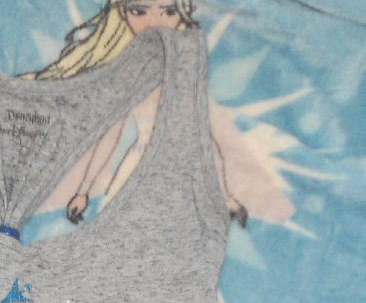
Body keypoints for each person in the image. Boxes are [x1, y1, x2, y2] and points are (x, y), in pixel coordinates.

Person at [26, 0, 249, 227]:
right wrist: (83, 191)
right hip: (137, 173)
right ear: (123, 13)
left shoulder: (185, 64)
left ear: (182, 12)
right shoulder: (127, 70)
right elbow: (110, 134)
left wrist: (225, 196)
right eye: (138, 11)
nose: (154, 22)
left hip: (187, 175)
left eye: (169, 11)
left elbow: (204, 139)